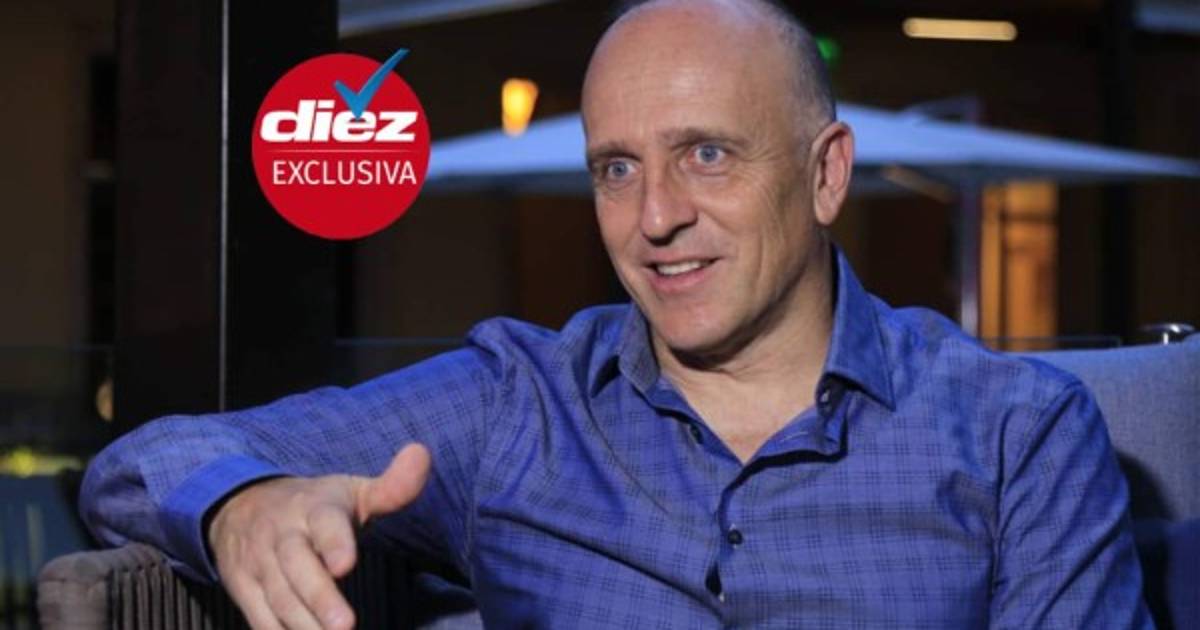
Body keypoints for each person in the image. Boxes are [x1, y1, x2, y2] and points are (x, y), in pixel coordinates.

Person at [81, 0, 1152, 628]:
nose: (655, 218)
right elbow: (143, 463)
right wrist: (240, 504)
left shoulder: (1016, 431)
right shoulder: (519, 405)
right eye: (616, 169)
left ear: (826, 175)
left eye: (707, 155)